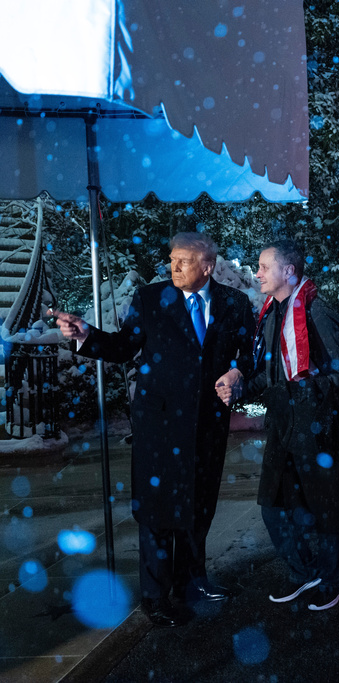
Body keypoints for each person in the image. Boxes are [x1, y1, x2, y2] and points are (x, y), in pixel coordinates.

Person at [50, 232, 254, 628]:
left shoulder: (235, 304)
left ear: (207, 267)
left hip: (207, 425)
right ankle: (155, 597)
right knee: (158, 513)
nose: (173, 267)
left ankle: (192, 583)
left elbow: (248, 352)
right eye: (171, 259)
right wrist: (85, 335)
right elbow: (124, 346)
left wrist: (239, 371)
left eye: (183, 261)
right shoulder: (149, 299)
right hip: (159, 428)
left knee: (199, 506)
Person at [234, 239, 339, 611]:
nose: (256, 273)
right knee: (274, 508)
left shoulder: (317, 314)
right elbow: (269, 374)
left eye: (263, 266)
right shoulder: (273, 314)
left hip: (317, 431)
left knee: (326, 510)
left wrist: (300, 393)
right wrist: (239, 384)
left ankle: (334, 580)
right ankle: (305, 572)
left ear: (288, 271)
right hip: (283, 428)